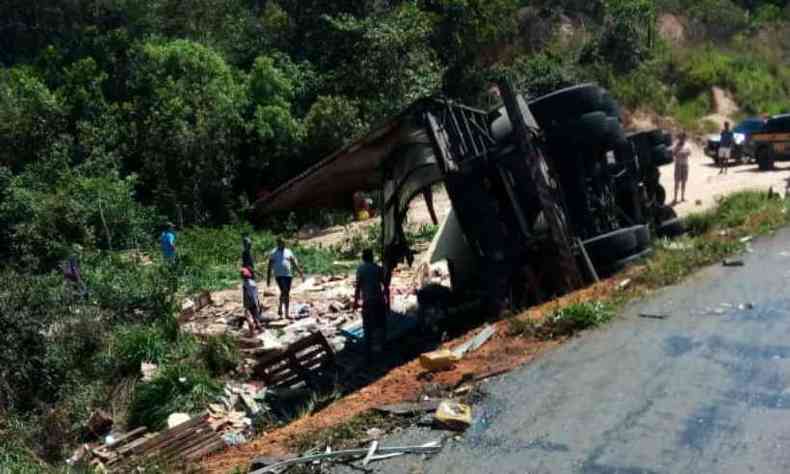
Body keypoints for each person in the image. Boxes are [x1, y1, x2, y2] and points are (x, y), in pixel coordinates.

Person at [353, 249, 388, 361]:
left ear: (363, 258)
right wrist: (387, 303)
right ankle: (382, 351)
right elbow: (386, 287)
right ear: (372, 257)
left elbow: (358, 287)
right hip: (379, 301)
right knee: (381, 326)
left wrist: (355, 302)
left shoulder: (361, 269)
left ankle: (368, 355)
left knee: (367, 329)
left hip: (368, 303)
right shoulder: (378, 268)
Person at [267, 238, 304, 318]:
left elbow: (293, 263)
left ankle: (285, 312)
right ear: (278, 243)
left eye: (284, 243)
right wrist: (268, 278)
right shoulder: (273, 253)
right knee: (284, 290)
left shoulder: (288, 251)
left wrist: (300, 273)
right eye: (281, 243)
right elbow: (269, 266)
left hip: (288, 275)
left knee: (286, 293)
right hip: (279, 275)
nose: (283, 245)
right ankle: (281, 309)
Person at [241, 267, 263, 336]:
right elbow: (256, 293)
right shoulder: (253, 282)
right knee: (255, 316)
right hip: (255, 301)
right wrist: (258, 302)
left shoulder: (246, 283)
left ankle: (252, 332)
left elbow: (250, 294)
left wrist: (247, 304)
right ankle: (260, 329)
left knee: (248, 316)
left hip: (249, 302)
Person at [673, 132, 692, 203]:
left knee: (684, 181)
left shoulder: (687, 145)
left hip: (685, 165)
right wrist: (679, 152)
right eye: (681, 137)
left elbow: (689, 153)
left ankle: (682, 197)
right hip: (678, 164)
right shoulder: (676, 144)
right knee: (676, 182)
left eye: (683, 137)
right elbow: (673, 153)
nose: (682, 139)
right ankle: (675, 198)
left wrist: (683, 153)